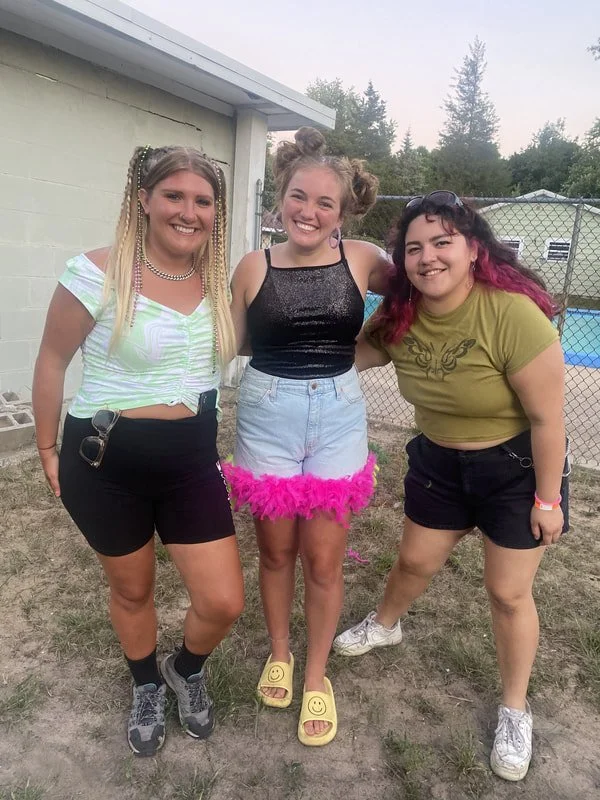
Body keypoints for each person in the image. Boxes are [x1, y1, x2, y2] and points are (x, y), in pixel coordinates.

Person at [333, 191, 569, 781]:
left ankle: (515, 707)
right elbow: (350, 355)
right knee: (413, 562)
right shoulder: (398, 317)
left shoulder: (511, 314)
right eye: (415, 248)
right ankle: (386, 625)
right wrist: (294, 341)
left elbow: (549, 422)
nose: (428, 257)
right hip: (439, 463)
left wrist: (547, 499)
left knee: (508, 593)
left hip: (515, 469)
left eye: (442, 242)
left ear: (472, 249)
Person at [32, 145, 244, 757]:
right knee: (132, 590)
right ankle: (147, 682)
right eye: (174, 196)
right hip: (105, 463)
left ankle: (187, 667)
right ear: (144, 200)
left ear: (215, 212)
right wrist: (47, 446)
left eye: (202, 201)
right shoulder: (95, 272)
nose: (188, 211)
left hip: (190, 464)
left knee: (223, 600)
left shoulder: (219, 282)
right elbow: (52, 360)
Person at [225, 127, 389, 746]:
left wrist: (365, 356)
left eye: (325, 203)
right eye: (299, 196)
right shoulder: (252, 266)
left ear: (343, 212)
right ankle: (281, 651)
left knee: (323, 560)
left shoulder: (364, 261)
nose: (309, 212)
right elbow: (228, 345)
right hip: (267, 412)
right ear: (281, 198)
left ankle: (316, 677)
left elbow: (429, 296)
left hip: (339, 417)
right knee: (275, 552)